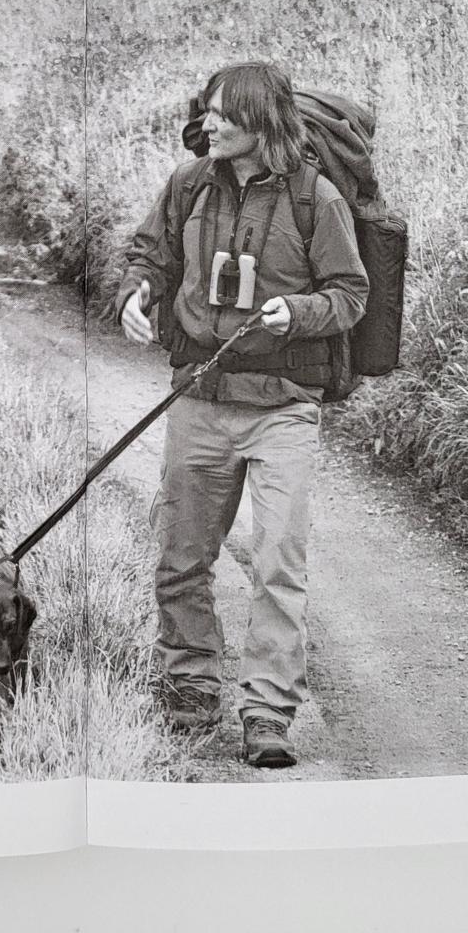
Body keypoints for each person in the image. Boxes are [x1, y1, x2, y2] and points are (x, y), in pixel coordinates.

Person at [115, 62, 368, 768]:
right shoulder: (188, 185)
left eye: (225, 114)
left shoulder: (316, 199)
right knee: (182, 558)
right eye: (209, 110)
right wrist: (135, 293)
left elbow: (351, 295)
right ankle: (190, 688)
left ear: (262, 121)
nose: (210, 123)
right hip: (199, 397)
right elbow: (149, 255)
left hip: (283, 409)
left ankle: (267, 714)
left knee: (278, 564)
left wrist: (301, 312)